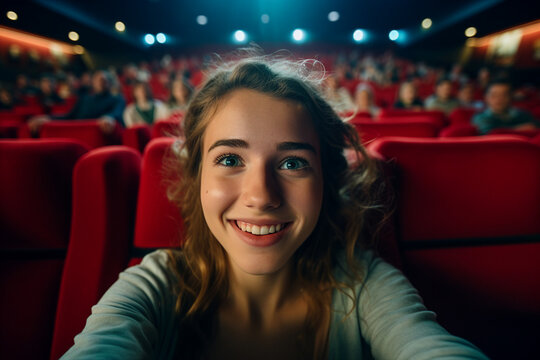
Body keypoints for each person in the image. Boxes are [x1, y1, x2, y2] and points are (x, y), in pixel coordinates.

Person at [62, 56, 488, 359]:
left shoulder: (365, 283)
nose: (261, 196)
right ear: (196, 179)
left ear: (326, 182)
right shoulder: (152, 285)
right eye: (230, 160)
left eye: (292, 163)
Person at [28, 70, 125, 134]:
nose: (101, 82)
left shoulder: (117, 99)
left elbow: (116, 113)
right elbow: (70, 116)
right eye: (98, 80)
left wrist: (109, 117)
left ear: (110, 83)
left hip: (97, 136)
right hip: (76, 135)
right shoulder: (84, 98)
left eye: (104, 80)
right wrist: (48, 118)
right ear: (93, 82)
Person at [472, 79, 539, 135]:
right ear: (486, 98)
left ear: (511, 97)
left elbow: (535, 126)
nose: (499, 99)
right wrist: (518, 129)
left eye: (504, 95)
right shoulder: (480, 117)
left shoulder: (523, 114)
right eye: (494, 95)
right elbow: (489, 133)